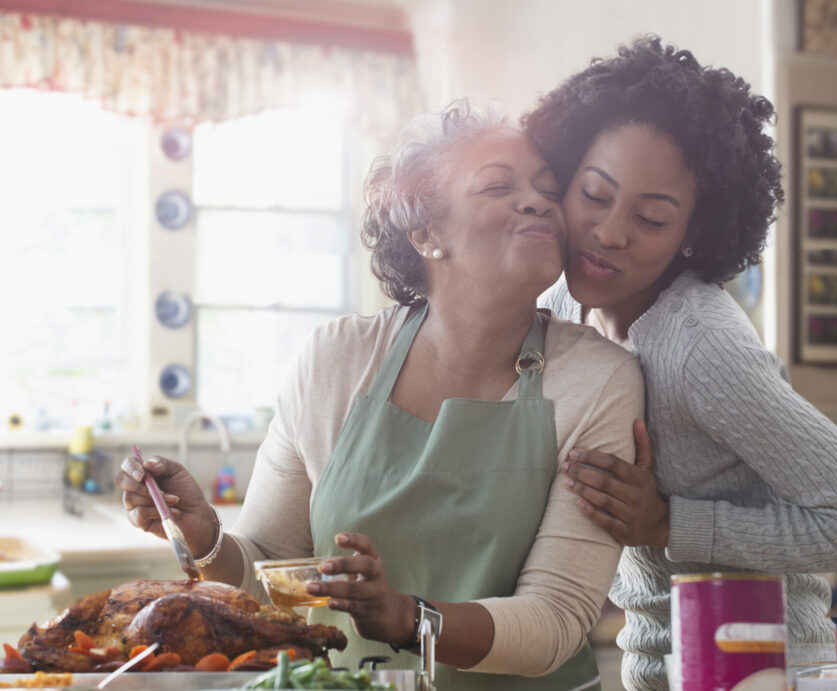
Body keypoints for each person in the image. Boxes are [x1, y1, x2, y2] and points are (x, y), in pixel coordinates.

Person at [117, 99, 644, 690]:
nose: (538, 200)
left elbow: (555, 623)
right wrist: (204, 536)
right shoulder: (336, 360)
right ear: (426, 233)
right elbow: (273, 572)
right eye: (498, 186)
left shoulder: (598, 380)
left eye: (548, 188)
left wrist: (410, 618)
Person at [523, 37, 837, 691]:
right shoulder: (558, 305)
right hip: (653, 668)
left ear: (695, 231)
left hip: (763, 672)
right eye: (594, 194)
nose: (609, 232)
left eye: (652, 218)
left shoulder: (700, 346)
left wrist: (666, 521)